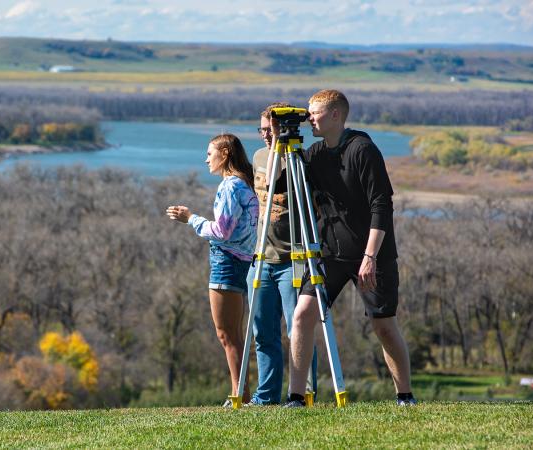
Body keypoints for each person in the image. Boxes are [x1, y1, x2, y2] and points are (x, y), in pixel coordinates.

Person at [284, 90, 416, 407]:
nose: (309, 118)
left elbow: (381, 206)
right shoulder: (315, 154)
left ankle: (405, 395)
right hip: (329, 254)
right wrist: (280, 145)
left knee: (383, 325)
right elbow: (286, 188)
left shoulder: (363, 150)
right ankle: (296, 397)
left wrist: (370, 257)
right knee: (302, 315)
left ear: (335, 116)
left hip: (372, 254)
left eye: (314, 113)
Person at [166, 133, 259, 407]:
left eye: (210, 153)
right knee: (235, 335)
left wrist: (190, 219)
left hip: (226, 263)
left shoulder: (230, 186)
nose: (206, 159)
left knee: (227, 335)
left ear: (226, 153)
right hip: (244, 261)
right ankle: (241, 392)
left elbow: (222, 230)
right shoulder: (246, 183)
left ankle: (239, 396)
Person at [245, 102, 300, 405]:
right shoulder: (258, 157)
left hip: (294, 260)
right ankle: (266, 397)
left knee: (298, 334)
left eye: (272, 129)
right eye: (262, 130)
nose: (266, 135)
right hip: (262, 257)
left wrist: (284, 149)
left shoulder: (298, 158)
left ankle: (301, 393)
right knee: (263, 334)